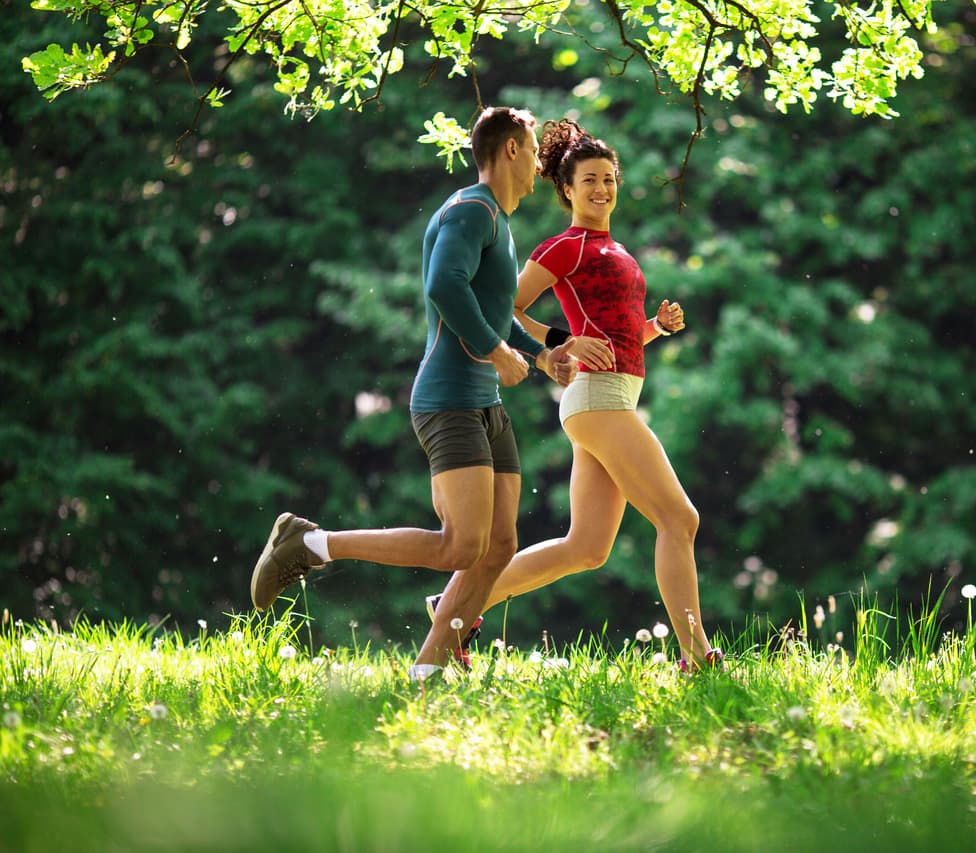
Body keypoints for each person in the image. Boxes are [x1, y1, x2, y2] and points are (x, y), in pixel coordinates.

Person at [249, 106, 577, 680]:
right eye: (532, 150)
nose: (538, 167)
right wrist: (494, 350)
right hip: (448, 398)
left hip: (485, 404)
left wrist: (540, 354)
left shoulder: (497, 220)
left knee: (499, 546)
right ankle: (311, 543)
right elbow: (443, 284)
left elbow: (495, 309)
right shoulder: (471, 210)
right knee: (459, 546)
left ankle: (427, 675)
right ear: (510, 151)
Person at [433, 118, 720, 670]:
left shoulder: (616, 249)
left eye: (609, 179)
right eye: (589, 180)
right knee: (679, 520)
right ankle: (695, 657)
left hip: (611, 396)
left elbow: (616, 338)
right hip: (598, 400)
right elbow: (503, 307)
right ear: (566, 189)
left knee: (586, 548)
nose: (602, 189)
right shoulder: (564, 246)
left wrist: (655, 327)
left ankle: (452, 607)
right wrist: (562, 343)